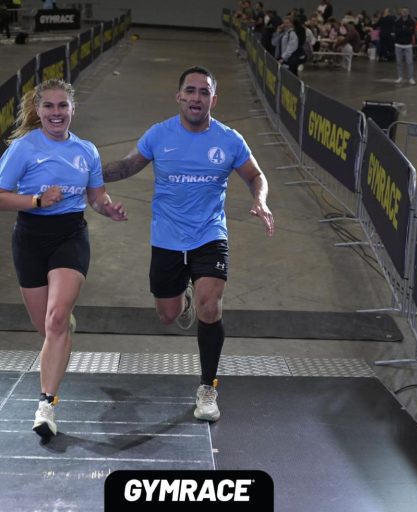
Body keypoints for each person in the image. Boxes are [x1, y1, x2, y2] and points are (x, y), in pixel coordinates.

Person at [102, 66, 274, 423]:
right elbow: (126, 167)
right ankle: (182, 298)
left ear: (214, 99)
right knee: (167, 315)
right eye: (191, 91)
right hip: (166, 238)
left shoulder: (229, 140)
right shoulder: (159, 134)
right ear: (179, 96)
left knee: (210, 308)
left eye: (204, 92)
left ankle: (208, 387)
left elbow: (255, 175)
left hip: (210, 234)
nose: (197, 97)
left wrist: (260, 199)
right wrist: (87, 173)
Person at [0, 79, 127, 438]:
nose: (56, 113)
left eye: (62, 105)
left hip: (70, 236)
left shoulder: (86, 150)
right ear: (38, 110)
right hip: (30, 239)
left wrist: (107, 208)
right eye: (49, 106)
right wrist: (36, 201)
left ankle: (46, 405)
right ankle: (64, 326)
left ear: (72, 109)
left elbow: (96, 196)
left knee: (55, 320)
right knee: (48, 328)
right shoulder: (23, 149)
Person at [393, 7, 416, 84]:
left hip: (408, 45)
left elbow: (412, 32)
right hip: (398, 44)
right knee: (399, 62)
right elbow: (396, 32)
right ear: (401, 12)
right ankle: (400, 77)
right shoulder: (397, 21)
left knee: (409, 62)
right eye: (403, 11)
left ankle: (411, 78)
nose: (404, 12)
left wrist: (404, 30)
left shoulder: (412, 22)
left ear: (408, 12)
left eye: (406, 11)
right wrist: (405, 29)